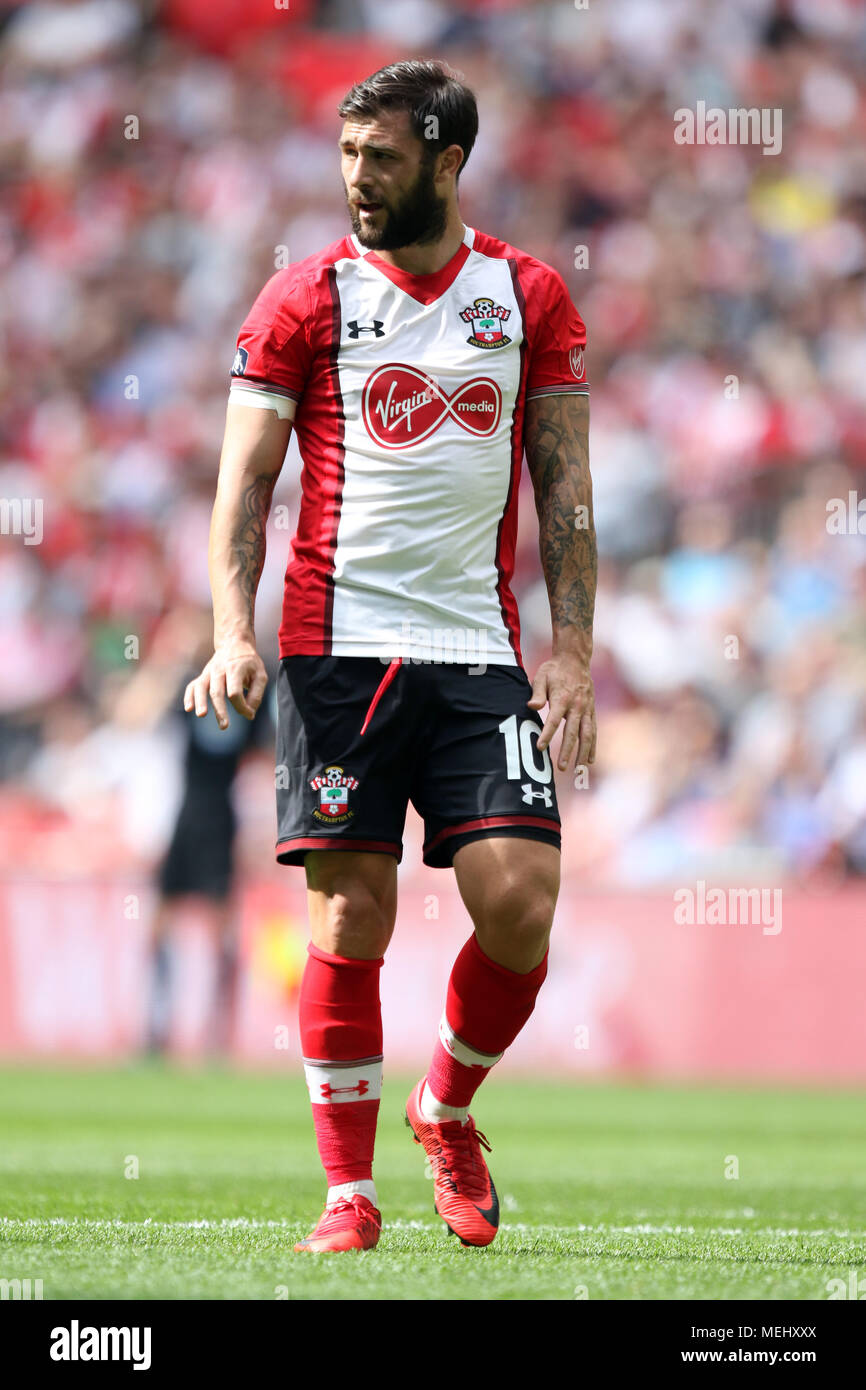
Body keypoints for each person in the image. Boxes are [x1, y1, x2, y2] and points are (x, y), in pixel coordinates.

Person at [184, 60, 597, 1253]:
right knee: (348, 918)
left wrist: (572, 651)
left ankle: (445, 1106)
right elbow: (244, 487)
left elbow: (563, 484)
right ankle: (346, 1195)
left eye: (381, 159)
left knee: (520, 903)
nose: (356, 180)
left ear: (447, 162)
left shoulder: (527, 295)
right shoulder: (302, 297)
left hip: (475, 648)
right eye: (346, 157)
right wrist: (229, 630)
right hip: (336, 644)